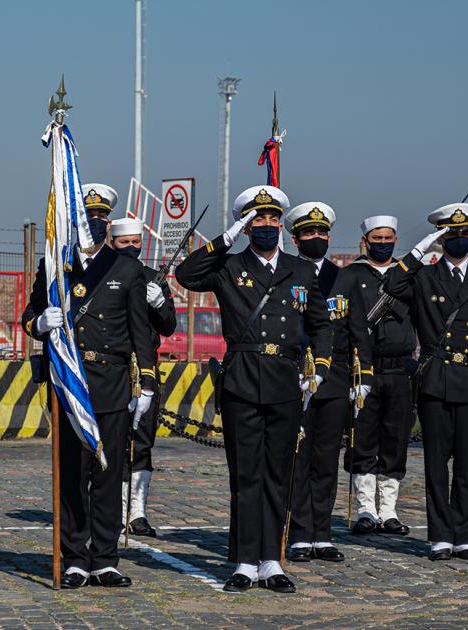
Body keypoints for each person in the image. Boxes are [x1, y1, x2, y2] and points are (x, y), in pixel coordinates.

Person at [176, 185, 332, 593]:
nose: (267, 225)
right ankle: (245, 561)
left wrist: (322, 366)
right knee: (246, 475)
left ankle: (271, 560)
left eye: (271, 219)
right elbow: (186, 274)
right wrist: (226, 237)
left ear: (282, 223)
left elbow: (320, 323)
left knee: (279, 475)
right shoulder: (229, 266)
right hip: (243, 377)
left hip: (285, 379)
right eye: (257, 220)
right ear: (246, 227)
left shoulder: (301, 270)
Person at [22, 184, 157, 588]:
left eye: (101, 218)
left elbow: (140, 331)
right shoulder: (54, 264)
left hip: (112, 381)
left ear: (108, 222)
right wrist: (39, 324)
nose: (94, 224)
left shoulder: (126, 268)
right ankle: (75, 556)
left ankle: (106, 557)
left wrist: (146, 382)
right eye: (87, 218)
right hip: (69, 382)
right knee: (72, 473)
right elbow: (30, 313)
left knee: (108, 471)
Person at [385, 203, 468, 561]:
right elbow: (392, 283)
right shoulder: (425, 278)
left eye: (464, 234)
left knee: (465, 465)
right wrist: (418, 250)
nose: (459, 240)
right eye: (451, 235)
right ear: (443, 238)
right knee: (436, 464)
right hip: (435, 380)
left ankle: (464, 535)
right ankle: (440, 536)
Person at [283, 203, 373, 563]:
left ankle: (322, 533)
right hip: (295, 379)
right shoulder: (288, 273)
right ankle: (300, 533)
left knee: (326, 459)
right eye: (308, 234)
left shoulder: (346, 278)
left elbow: (359, 332)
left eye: (322, 233)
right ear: (296, 239)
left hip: (334, 380)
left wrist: (363, 377)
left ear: (330, 237)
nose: (316, 238)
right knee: (298, 458)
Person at [343, 216, 417, 536]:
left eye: (388, 237)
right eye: (378, 237)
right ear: (366, 240)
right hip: (364, 370)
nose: (383, 242)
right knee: (363, 440)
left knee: (395, 440)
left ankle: (388, 510)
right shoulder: (350, 275)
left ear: (396, 239)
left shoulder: (410, 277)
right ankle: (365, 510)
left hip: (400, 370)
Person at [109, 217, 177, 537]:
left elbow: (169, 326)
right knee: (114, 441)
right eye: (125, 243)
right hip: (115, 370)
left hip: (145, 371)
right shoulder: (105, 275)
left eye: (137, 242)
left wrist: (160, 303)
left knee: (143, 442)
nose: (132, 248)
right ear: (113, 244)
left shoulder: (153, 279)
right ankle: (114, 509)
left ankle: (137, 512)